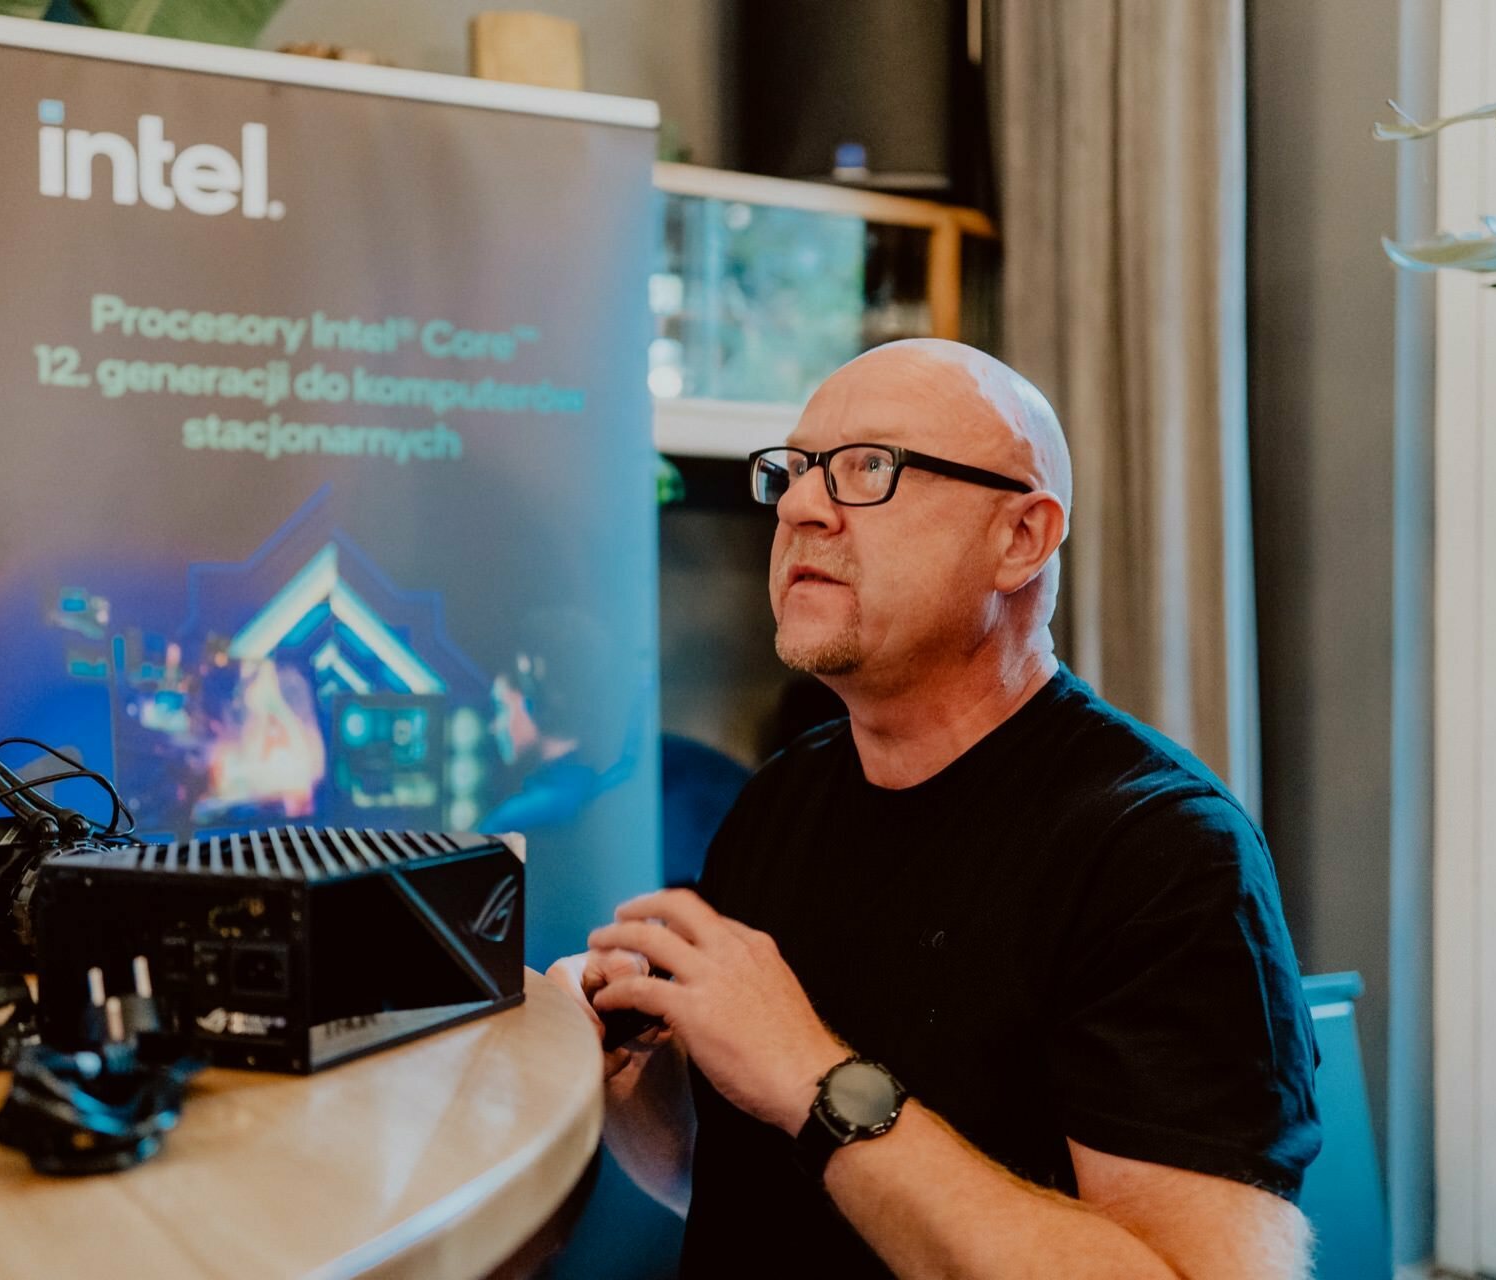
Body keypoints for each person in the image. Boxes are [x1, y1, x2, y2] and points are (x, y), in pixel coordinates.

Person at [547, 340, 1320, 1278]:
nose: (798, 506)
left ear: (1021, 539)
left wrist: (810, 1076)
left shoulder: (1162, 854)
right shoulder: (780, 800)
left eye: (867, 469)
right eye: (792, 472)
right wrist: (636, 1072)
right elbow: (742, 1191)